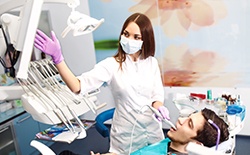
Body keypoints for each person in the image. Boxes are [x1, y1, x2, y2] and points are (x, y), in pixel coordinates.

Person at [34, 13, 170, 155]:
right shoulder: (111, 65)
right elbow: (77, 86)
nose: (129, 40)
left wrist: (159, 106)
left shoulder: (151, 63)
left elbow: (156, 96)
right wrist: (58, 58)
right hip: (126, 139)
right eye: (126, 34)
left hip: (153, 134)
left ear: (145, 39)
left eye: (136, 37)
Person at [90, 108, 230, 155]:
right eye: (187, 117)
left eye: (189, 124)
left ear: (197, 144)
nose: (180, 119)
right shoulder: (171, 142)